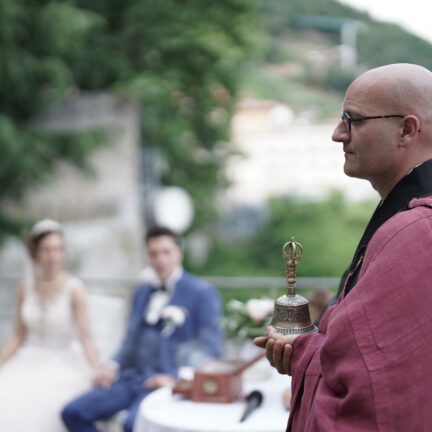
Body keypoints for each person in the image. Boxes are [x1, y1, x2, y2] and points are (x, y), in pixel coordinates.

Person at [255, 63, 432, 431]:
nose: (338, 134)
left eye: (353, 120)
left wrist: (300, 352)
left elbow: (374, 385)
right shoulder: (406, 217)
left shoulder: (417, 232)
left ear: (406, 129)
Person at [62, 225, 224, 432]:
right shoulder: (141, 293)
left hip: (166, 382)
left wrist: (174, 377)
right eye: (154, 254)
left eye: (166, 252)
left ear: (179, 253)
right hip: (131, 378)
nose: (160, 260)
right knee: (73, 412)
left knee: (132, 425)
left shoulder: (203, 293)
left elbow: (210, 348)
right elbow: (130, 339)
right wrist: (112, 364)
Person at [0, 219, 100, 431]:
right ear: (35, 252)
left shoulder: (75, 288)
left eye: (58, 249)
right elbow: (17, 336)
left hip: (62, 362)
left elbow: (86, 337)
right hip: (27, 359)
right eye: (47, 249)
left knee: (44, 403)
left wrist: (97, 369)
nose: (53, 256)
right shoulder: (24, 287)